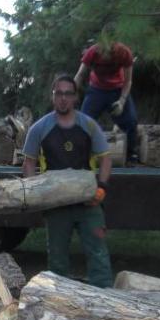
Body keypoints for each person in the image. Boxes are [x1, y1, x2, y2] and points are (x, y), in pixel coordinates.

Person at [22, 74, 113, 287]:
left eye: (68, 94)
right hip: (56, 205)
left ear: (75, 97)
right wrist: (35, 194)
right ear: (52, 96)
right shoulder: (39, 128)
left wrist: (102, 188)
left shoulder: (89, 125)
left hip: (89, 202)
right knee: (57, 261)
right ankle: (59, 298)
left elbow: (106, 159)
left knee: (98, 254)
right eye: (59, 93)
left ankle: (105, 296)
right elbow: (28, 163)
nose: (63, 98)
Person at [73, 38, 139, 164]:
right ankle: (79, 155)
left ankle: (131, 154)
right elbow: (80, 75)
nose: (106, 55)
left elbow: (128, 81)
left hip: (118, 89)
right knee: (83, 122)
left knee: (131, 121)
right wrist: (71, 93)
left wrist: (122, 101)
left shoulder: (124, 52)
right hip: (96, 90)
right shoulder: (92, 52)